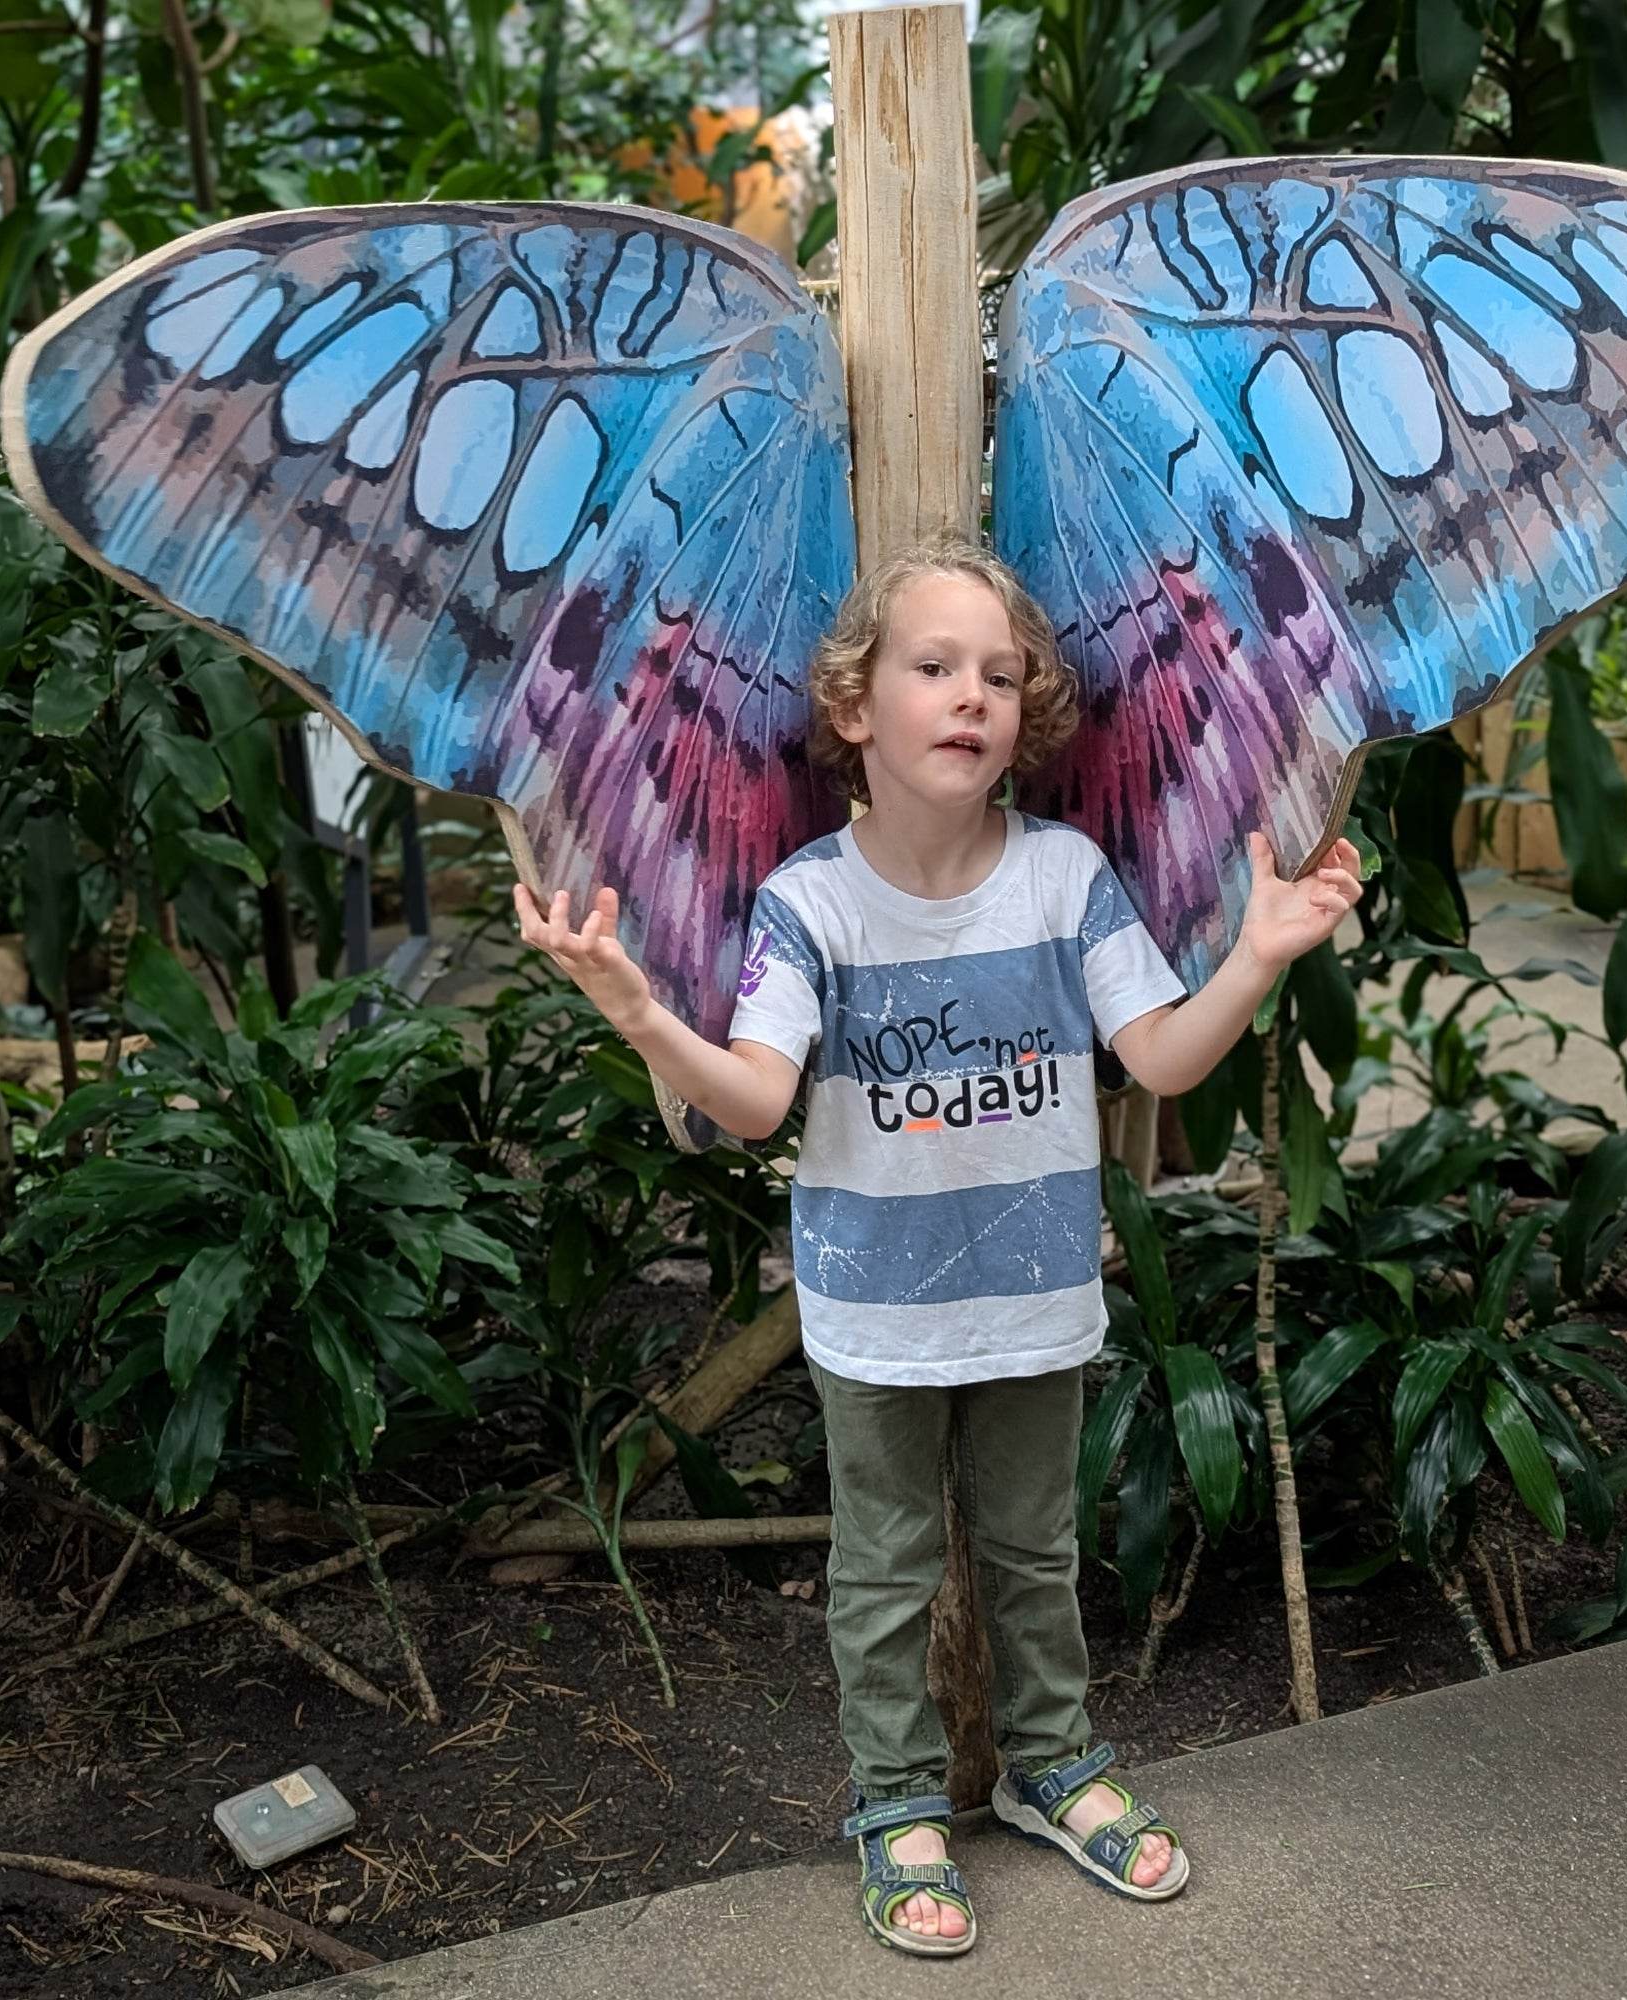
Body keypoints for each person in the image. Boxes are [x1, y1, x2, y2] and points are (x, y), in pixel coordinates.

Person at [514, 538, 1364, 1957]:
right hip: (873, 1318)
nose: (971, 694)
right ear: (853, 706)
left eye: (1000, 673)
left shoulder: (1064, 879)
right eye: (933, 666)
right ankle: (897, 1804)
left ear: (1027, 713)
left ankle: (1055, 1768)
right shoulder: (808, 905)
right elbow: (757, 1101)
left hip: (1035, 1303)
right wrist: (644, 1018)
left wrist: (1260, 955)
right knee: (886, 1569)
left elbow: (1155, 1060)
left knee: (1035, 1553)